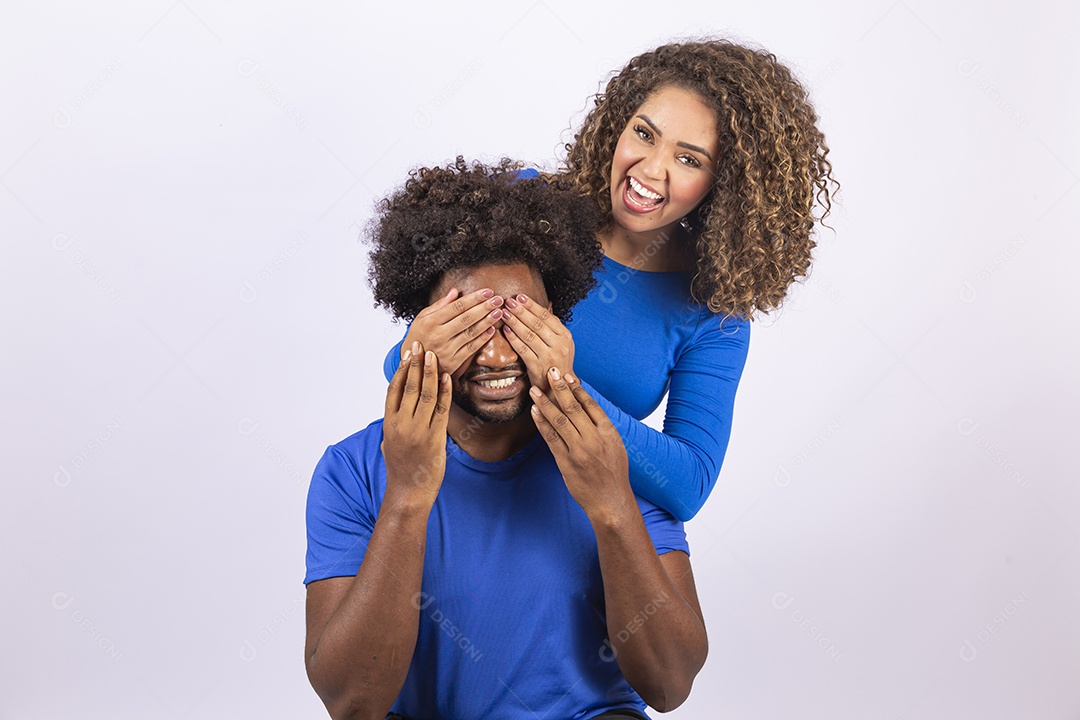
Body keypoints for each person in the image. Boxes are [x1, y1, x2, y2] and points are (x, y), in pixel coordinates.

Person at [305, 159, 708, 720]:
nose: (497, 357)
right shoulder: (352, 471)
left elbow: (669, 687)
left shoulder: (610, 457)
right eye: (470, 327)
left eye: (519, 327)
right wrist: (407, 494)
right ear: (423, 329)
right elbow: (352, 703)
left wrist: (613, 502)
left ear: (556, 326)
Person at [385, 39, 838, 522]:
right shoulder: (524, 209)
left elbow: (688, 485)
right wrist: (420, 351)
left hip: (572, 529)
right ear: (618, 124)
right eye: (644, 134)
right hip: (439, 497)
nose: (650, 169)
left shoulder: (713, 312)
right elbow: (400, 367)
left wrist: (564, 384)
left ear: (725, 182)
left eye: (689, 160)